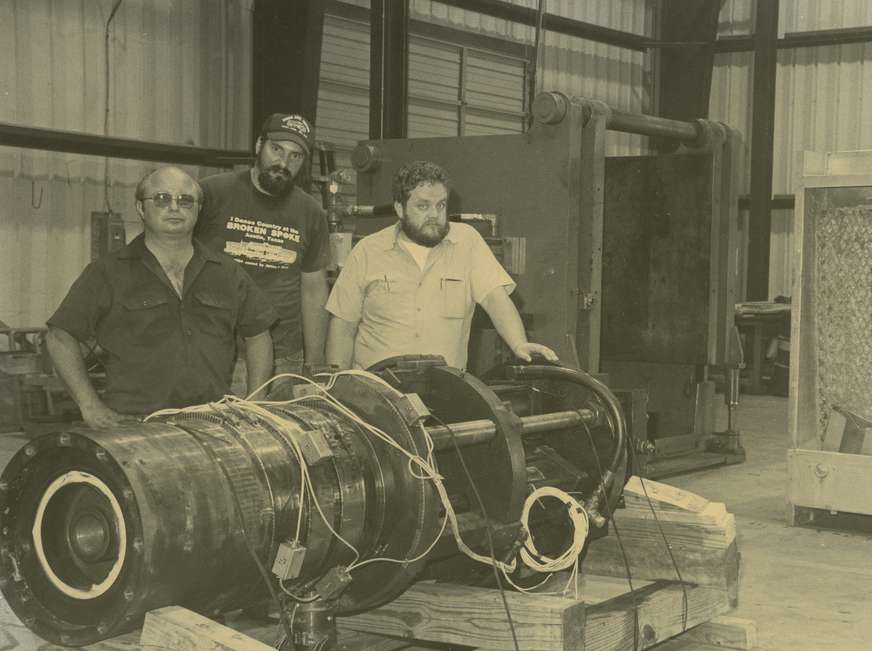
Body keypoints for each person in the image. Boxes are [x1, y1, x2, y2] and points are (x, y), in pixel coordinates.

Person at [46, 166, 276, 430]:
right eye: (162, 199)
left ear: (199, 210)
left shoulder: (226, 272)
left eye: (186, 200)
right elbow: (59, 337)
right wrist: (89, 405)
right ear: (141, 209)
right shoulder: (108, 272)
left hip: (212, 424)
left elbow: (259, 334)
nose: (175, 207)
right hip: (134, 425)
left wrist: (254, 403)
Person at [325, 160, 557, 370]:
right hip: (378, 395)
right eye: (423, 206)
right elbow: (343, 326)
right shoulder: (368, 251)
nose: (435, 215)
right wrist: (336, 384)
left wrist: (519, 343)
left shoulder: (467, 242)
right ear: (399, 209)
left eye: (441, 205)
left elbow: (495, 299)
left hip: (444, 392)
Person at [194, 113, 330, 391]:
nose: (283, 163)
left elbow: (314, 290)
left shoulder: (311, 212)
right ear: (259, 145)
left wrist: (314, 363)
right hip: (215, 352)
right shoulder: (212, 193)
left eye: (296, 156)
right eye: (276, 149)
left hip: (284, 358)